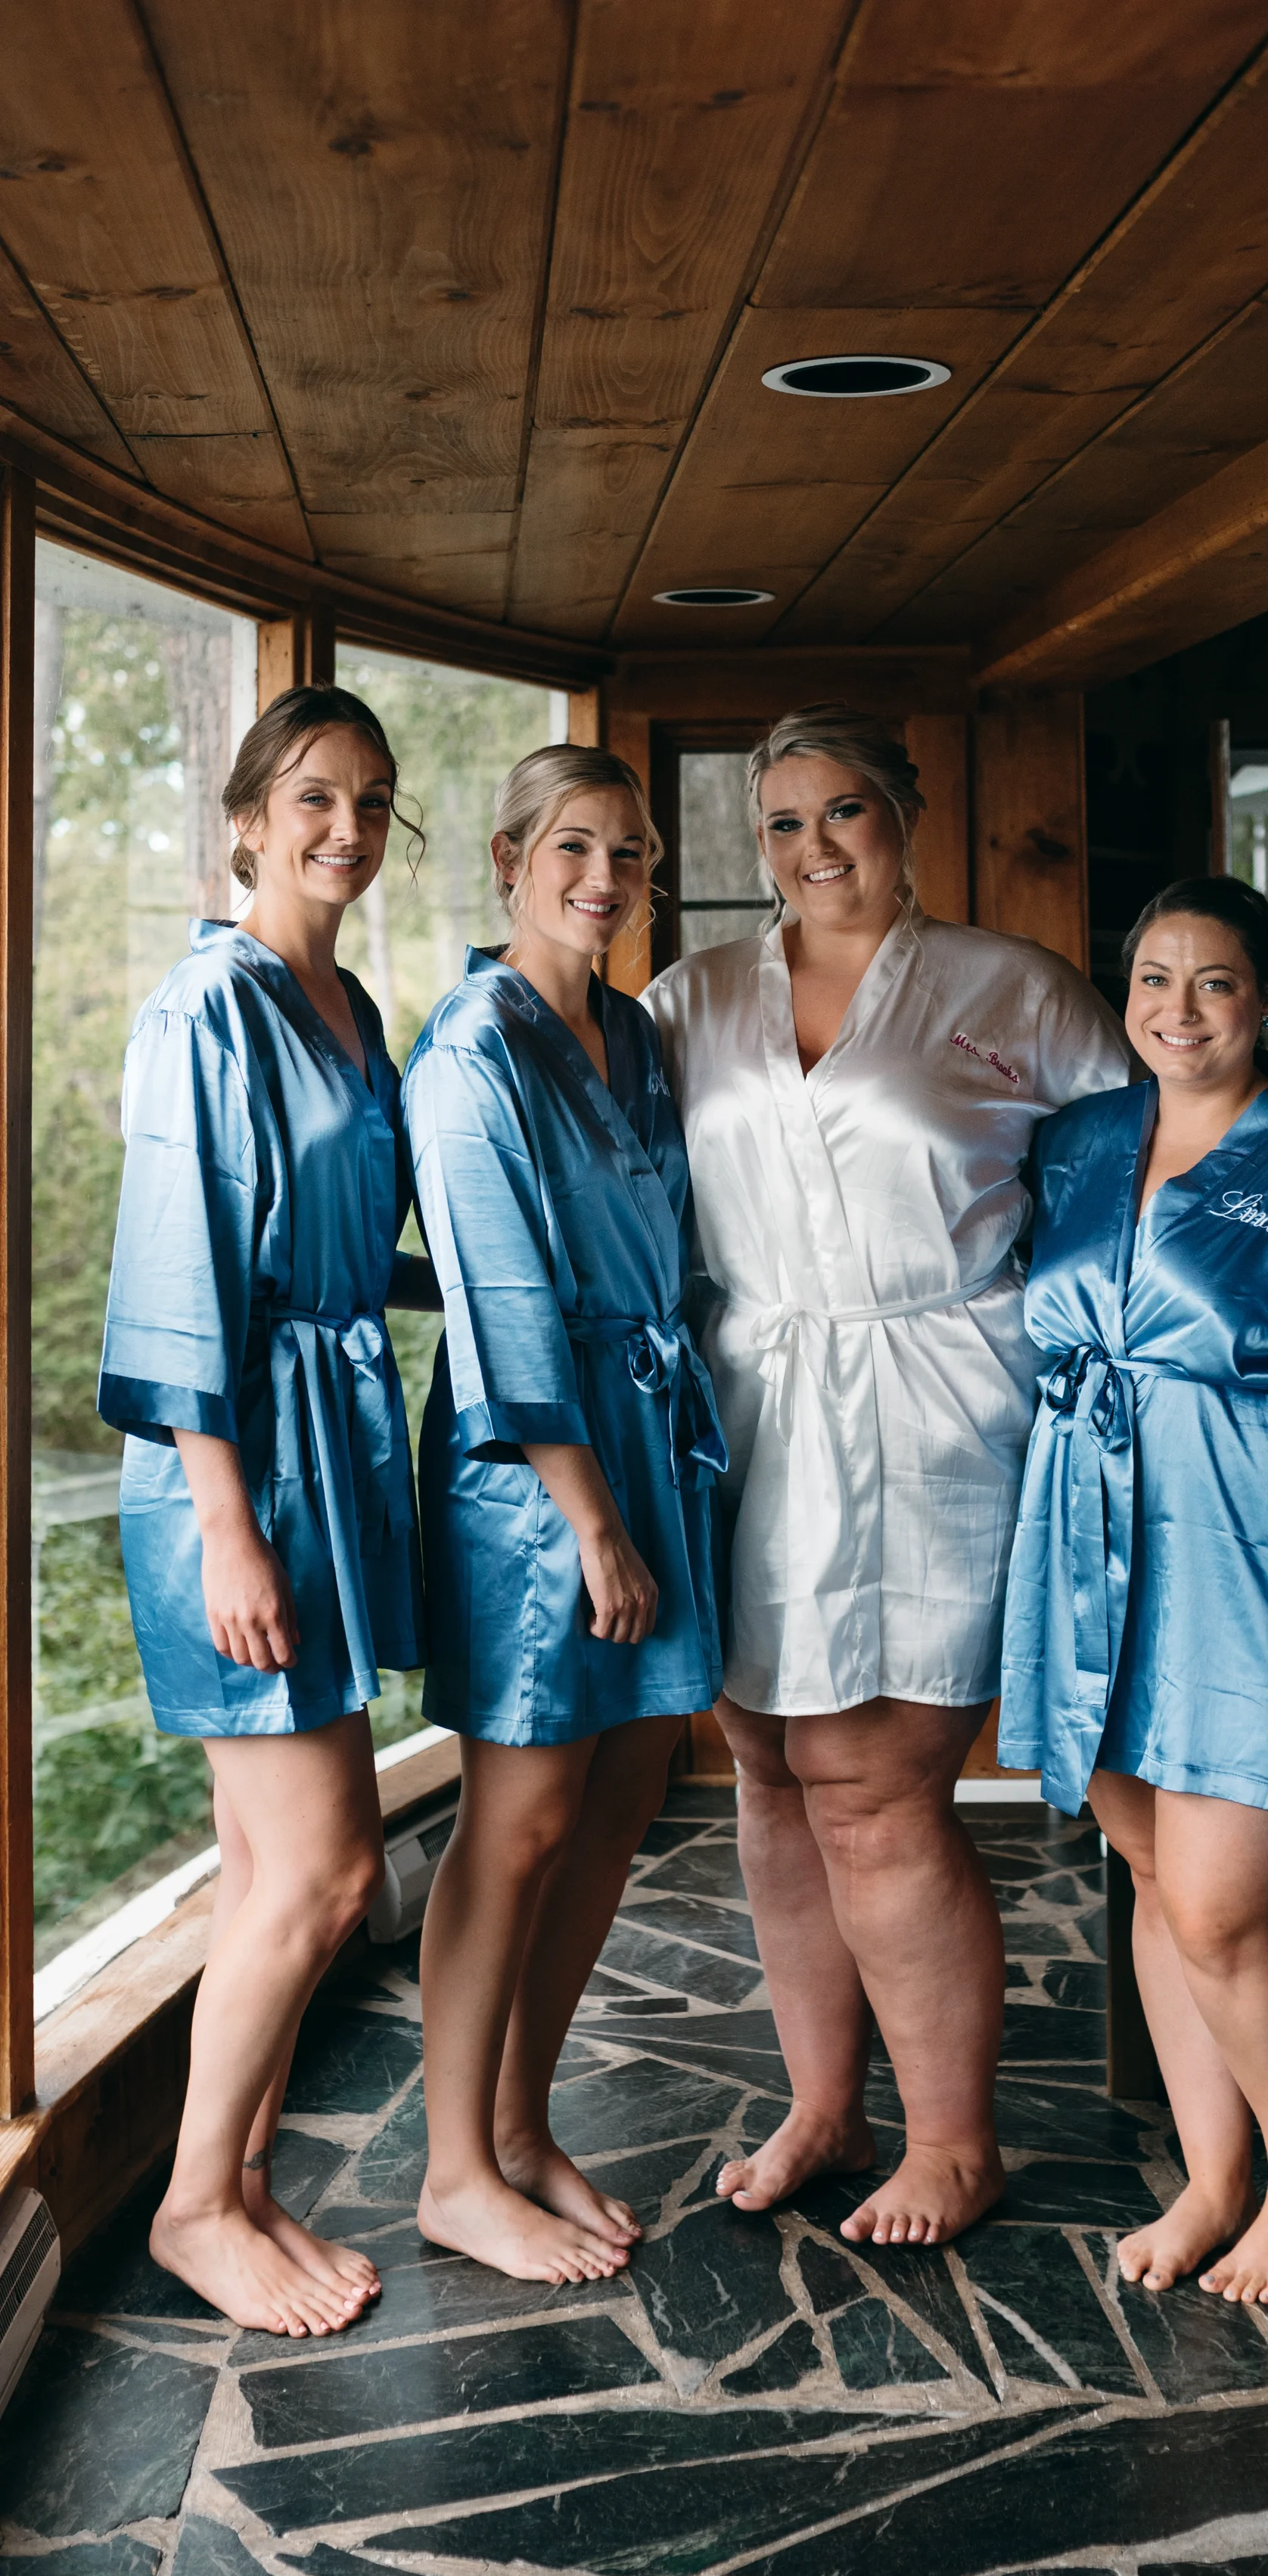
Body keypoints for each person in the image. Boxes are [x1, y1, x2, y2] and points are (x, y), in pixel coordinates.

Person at [641, 702, 1130, 2247]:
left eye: (841, 810)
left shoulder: (1012, 987)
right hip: (748, 1405)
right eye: (778, 824)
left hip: (937, 1407)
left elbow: (1140, 1176)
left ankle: (953, 2140)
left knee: (876, 1791)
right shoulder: (688, 997)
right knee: (774, 1783)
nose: (810, 848)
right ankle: (820, 2104)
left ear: (906, 814)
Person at [999, 877, 1268, 2303]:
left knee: (1221, 1910)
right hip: (1085, 1527)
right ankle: (1214, 2177)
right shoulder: (1075, 1142)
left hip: (1253, 1543)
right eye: (1153, 981)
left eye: (1216, 984)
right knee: (1151, 1876)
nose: (1179, 1012)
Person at [100, 683, 437, 2336]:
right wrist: (227, 1524)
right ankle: (184, 2207)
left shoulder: (351, 1003)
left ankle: (236, 2186)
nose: (345, 831)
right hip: (229, 1462)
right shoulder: (204, 1010)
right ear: (246, 815)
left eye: (372, 801)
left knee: (269, 1873)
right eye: (313, 798)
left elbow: (357, 1248)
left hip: (332, 1446)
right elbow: (176, 1278)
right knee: (321, 1871)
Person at [403, 745, 725, 2285]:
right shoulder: (474, 1046)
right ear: (510, 858)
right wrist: (590, 1519)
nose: (606, 878)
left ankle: (523, 2126)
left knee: (616, 1801)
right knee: (519, 1816)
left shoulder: (636, 1035)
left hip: (649, 1438)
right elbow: (499, 1305)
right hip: (529, 1469)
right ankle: (452, 2167)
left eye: (631, 854)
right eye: (575, 849)